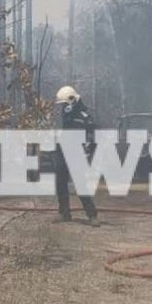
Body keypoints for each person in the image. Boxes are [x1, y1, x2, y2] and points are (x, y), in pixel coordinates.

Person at [53, 85, 99, 226]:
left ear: (72, 100)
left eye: (65, 104)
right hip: (63, 149)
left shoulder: (84, 116)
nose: (63, 107)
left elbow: (93, 137)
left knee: (80, 184)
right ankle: (64, 213)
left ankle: (92, 215)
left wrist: (88, 151)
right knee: (60, 182)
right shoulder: (67, 113)